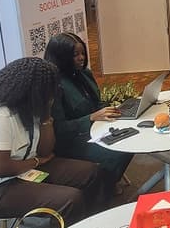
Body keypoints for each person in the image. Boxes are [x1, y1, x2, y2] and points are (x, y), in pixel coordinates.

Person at [0, 57, 102, 225]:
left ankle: (91, 224)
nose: (53, 93)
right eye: (48, 89)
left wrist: (46, 116)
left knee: (91, 171)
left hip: (20, 169)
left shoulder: (29, 107)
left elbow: (45, 151)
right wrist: (36, 162)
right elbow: (0, 169)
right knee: (69, 200)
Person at [44, 32, 135, 196]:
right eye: (75, 55)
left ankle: (106, 182)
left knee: (133, 135)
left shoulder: (84, 74)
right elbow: (58, 129)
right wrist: (91, 118)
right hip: (72, 141)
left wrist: (114, 110)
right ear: (62, 57)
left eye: (82, 53)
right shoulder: (53, 86)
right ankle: (102, 189)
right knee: (119, 149)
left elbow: (96, 103)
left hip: (97, 128)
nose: (81, 58)